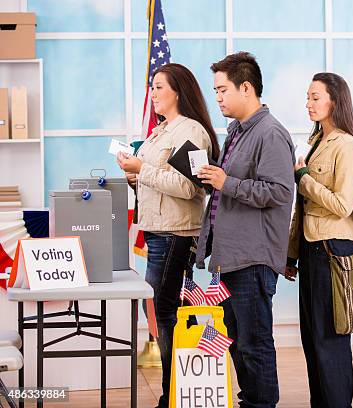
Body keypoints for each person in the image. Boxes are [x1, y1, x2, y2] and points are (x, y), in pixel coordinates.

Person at [194, 52, 295, 408]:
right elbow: (230, 188)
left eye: (222, 90)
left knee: (254, 343)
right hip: (229, 256)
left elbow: (280, 192)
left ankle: (261, 404)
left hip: (252, 257)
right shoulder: (236, 132)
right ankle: (250, 401)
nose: (217, 97)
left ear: (246, 88)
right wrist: (213, 181)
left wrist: (226, 182)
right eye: (216, 91)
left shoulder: (270, 134)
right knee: (236, 339)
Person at [117, 62, 220, 408]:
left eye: (160, 86)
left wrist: (142, 170)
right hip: (159, 232)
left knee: (165, 312)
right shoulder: (160, 132)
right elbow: (158, 180)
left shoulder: (190, 132)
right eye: (153, 87)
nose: (154, 93)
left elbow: (191, 188)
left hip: (176, 233)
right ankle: (175, 390)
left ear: (178, 90)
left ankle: (172, 393)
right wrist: (136, 176)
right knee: (162, 311)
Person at [284, 72, 353, 408]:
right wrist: (291, 254)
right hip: (311, 249)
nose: (308, 103)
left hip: (334, 250)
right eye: (308, 97)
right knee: (312, 339)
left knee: (330, 340)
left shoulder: (345, 145)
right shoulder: (314, 141)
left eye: (315, 97)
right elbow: (301, 210)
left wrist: (304, 180)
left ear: (335, 100)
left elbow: (344, 205)